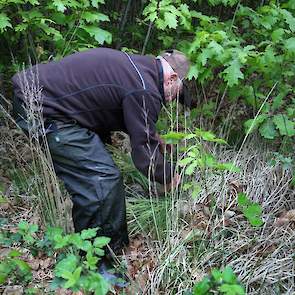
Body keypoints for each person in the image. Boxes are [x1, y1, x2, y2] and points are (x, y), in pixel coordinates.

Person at [12, 47, 191, 259]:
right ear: (171, 79)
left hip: (37, 94)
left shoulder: (140, 69)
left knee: (99, 171)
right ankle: (101, 263)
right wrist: (169, 177)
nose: (171, 101)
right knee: (101, 179)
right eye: (177, 94)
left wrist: (152, 135)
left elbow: (111, 101)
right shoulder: (145, 88)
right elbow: (144, 154)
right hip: (44, 109)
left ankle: (98, 249)